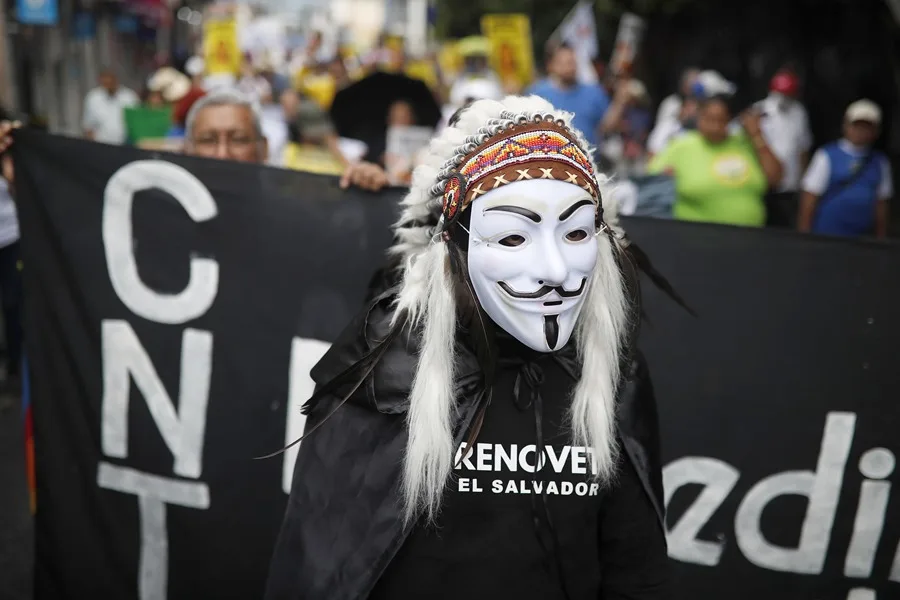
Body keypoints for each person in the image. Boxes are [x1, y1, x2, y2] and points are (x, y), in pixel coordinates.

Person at [264, 95, 670, 600]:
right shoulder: (389, 368)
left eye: (576, 232)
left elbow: (637, 565)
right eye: (514, 238)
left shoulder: (612, 373)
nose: (556, 271)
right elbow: (321, 562)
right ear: (451, 245)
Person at [647, 94, 783, 227]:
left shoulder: (744, 143)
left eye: (721, 120)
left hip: (751, 239)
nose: (715, 127)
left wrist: (757, 135)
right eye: (709, 119)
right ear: (699, 117)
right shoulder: (681, 146)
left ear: (729, 120)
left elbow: (776, 178)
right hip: (696, 238)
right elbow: (652, 184)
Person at [798, 99, 893, 238]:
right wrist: (804, 236)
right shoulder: (826, 155)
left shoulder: (880, 162)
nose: (860, 131)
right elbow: (809, 198)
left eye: (866, 127)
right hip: (827, 235)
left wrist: (881, 238)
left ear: (876, 131)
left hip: (863, 239)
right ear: (846, 126)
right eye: (856, 125)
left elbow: (882, 204)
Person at [756, 68, 813, 228]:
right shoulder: (759, 111)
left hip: (790, 186)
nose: (782, 98)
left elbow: (803, 147)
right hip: (765, 185)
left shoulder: (799, 112)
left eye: (787, 94)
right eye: (779, 93)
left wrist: (803, 182)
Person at [528, 43, 610, 147]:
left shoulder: (594, 92)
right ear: (551, 65)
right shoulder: (537, 94)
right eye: (563, 63)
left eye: (571, 62)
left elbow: (607, 126)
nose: (569, 67)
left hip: (588, 159)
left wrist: (621, 100)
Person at [81, 68, 140, 145]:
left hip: (126, 146)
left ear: (116, 80)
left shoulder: (129, 97)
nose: (108, 84)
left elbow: (137, 123)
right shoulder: (93, 98)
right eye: (105, 82)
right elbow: (88, 127)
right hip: (101, 146)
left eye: (111, 81)